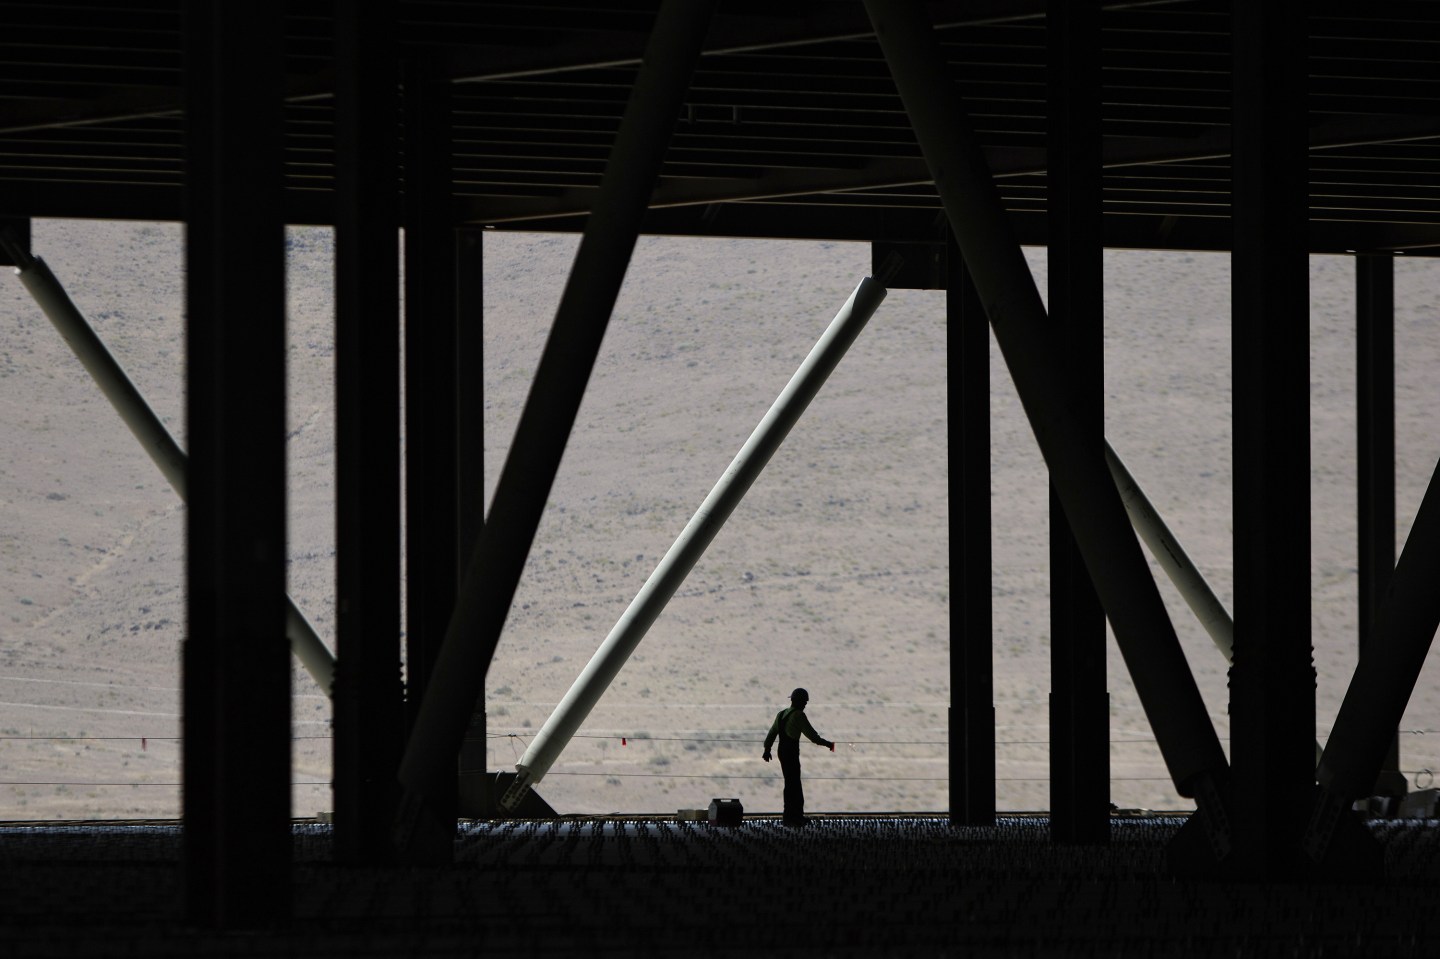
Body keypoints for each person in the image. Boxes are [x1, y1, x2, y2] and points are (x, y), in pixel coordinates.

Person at [762, 687, 833, 826]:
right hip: (791, 753)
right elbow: (813, 736)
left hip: (781, 751)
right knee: (794, 785)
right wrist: (828, 744)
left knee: (790, 784)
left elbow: (772, 733)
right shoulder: (799, 715)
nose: (805, 705)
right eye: (805, 702)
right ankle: (794, 817)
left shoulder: (781, 714)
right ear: (800, 701)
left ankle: (789, 816)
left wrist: (767, 749)